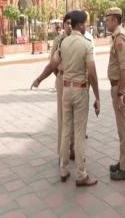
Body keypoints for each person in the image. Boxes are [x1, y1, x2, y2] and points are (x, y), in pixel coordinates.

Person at [31, 10, 100, 187]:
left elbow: (52, 65)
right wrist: (97, 96)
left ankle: (63, 169)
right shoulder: (86, 44)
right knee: (78, 133)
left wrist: (39, 79)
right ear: (80, 25)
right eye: (85, 23)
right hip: (80, 91)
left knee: (65, 129)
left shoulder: (64, 43)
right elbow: (92, 72)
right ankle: (81, 174)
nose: (86, 26)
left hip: (66, 90)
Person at [105, 7, 125, 181]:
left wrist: (121, 92)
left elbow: (124, 68)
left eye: (108, 19)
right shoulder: (117, 36)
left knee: (124, 131)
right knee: (121, 129)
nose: (106, 22)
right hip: (117, 86)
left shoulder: (120, 37)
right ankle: (123, 162)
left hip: (119, 87)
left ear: (114, 20)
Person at [48, 13, 75, 160]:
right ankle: (62, 151)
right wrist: (59, 75)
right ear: (63, 25)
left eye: (72, 23)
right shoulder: (59, 41)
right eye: (67, 23)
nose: (69, 26)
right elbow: (52, 63)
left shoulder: (78, 39)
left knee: (75, 116)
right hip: (62, 79)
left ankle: (73, 148)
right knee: (62, 116)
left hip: (75, 81)